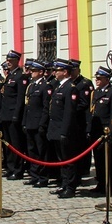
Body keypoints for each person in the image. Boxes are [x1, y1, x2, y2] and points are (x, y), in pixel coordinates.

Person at [47, 59, 79, 199]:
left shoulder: (70, 88)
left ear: (65, 72)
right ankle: (64, 184)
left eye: (57, 70)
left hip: (64, 130)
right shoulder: (60, 87)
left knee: (68, 160)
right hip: (56, 128)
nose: (54, 72)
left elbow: (69, 113)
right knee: (61, 159)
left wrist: (64, 131)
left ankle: (70, 187)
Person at [89, 66, 112, 195]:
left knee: (109, 161)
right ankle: (101, 183)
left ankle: (108, 185)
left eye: (99, 78)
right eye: (96, 78)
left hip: (107, 131)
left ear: (107, 79)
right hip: (97, 131)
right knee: (98, 159)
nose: (97, 80)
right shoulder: (96, 92)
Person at [0, 50, 28, 180]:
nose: (8, 63)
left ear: (17, 61)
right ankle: (10, 167)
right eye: (7, 60)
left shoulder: (20, 76)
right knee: (8, 143)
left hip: (13, 116)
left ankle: (18, 169)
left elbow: (20, 99)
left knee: (16, 144)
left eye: (11, 61)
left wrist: (16, 115)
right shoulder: (10, 76)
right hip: (6, 114)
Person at [22, 60, 51, 187]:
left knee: (41, 152)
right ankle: (34, 175)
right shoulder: (31, 86)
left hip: (39, 123)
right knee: (31, 150)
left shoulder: (46, 86)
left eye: (34, 71)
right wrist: (24, 122)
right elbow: (27, 106)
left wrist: (42, 125)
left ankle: (43, 177)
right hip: (29, 122)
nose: (31, 73)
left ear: (41, 72)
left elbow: (46, 108)